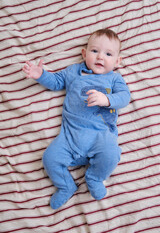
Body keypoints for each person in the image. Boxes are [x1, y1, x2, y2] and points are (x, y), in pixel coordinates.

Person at [23, 29, 131, 209]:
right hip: (70, 135)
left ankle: (95, 177)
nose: (100, 57)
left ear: (117, 61)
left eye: (108, 54)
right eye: (94, 51)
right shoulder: (74, 71)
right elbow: (56, 81)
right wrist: (40, 75)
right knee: (49, 158)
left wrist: (106, 100)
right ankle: (66, 186)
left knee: (111, 154)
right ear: (84, 53)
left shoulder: (113, 79)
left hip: (100, 136)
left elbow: (124, 97)